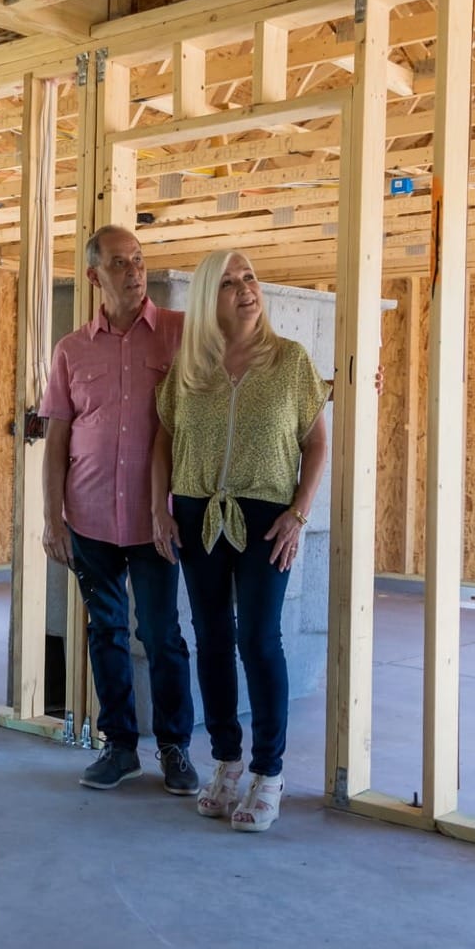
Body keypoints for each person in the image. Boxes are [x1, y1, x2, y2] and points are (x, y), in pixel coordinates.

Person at [151, 249, 342, 833]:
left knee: (259, 640)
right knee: (210, 638)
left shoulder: (291, 361)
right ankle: (227, 762)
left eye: (250, 278)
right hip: (196, 511)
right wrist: (159, 509)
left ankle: (269, 772)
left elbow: (316, 442)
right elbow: (165, 437)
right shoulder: (191, 367)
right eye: (230, 282)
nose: (245, 289)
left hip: (267, 517)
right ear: (209, 297)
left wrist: (299, 513)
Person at [41, 225, 198, 795]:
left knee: (160, 634)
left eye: (138, 260)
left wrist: (347, 382)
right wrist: (52, 518)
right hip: (88, 518)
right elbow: (57, 439)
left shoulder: (180, 334)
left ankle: (175, 748)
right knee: (104, 631)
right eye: (119, 263)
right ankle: (120, 746)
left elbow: (246, 360)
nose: (134, 271)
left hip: (156, 520)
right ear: (93, 276)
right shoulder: (71, 349)